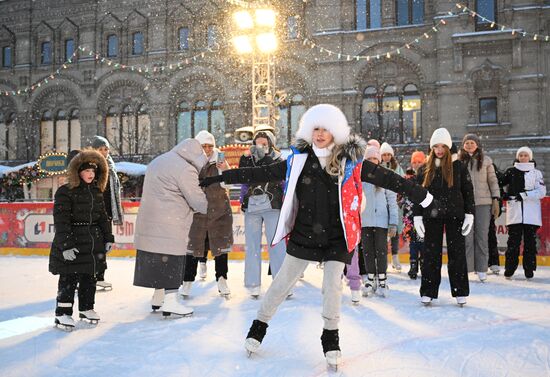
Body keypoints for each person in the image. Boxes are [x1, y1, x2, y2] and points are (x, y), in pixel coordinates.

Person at [200, 104, 435, 368]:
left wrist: (421, 195)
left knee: (333, 286)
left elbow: (388, 178)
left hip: (338, 235)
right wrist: (221, 177)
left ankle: (330, 336)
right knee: (281, 283)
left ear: (335, 132)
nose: (320, 134)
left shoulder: (352, 163)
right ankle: (259, 325)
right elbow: (258, 174)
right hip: (304, 234)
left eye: (325, 129)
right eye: (316, 129)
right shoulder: (297, 161)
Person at [133, 138, 208, 317]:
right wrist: (206, 204)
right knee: (172, 259)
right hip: (171, 223)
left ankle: (158, 298)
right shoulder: (185, 169)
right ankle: (171, 301)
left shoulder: (157, 161)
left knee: (156, 258)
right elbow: (197, 200)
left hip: (150, 219)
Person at [49, 149, 114, 329]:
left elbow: (102, 217)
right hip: (74, 242)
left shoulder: (96, 192)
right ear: (78, 172)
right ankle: (62, 313)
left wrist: (108, 238)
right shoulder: (65, 192)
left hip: (93, 242)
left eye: (93, 171)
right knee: (69, 278)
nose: (90, 175)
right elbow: (61, 222)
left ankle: (86, 307)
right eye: (86, 171)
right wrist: (66, 246)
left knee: (89, 277)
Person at [413, 128, 475, 306]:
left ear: (449, 147)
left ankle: (460, 291)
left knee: (457, 254)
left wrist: (469, 214)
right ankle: (428, 291)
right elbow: (418, 194)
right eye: (436, 146)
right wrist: (417, 216)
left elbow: (468, 192)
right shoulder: (425, 167)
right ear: (431, 148)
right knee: (431, 255)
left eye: (443, 146)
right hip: (432, 216)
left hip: (455, 215)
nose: (439, 150)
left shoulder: (459, 166)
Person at [182, 130, 233, 297]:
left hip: (219, 210)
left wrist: (224, 169)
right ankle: (187, 281)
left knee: (220, 247)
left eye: (210, 146)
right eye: (204, 145)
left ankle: (222, 279)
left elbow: (229, 185)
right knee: (193, 246)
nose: (208, 149)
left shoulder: (220, 160)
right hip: (197, 212)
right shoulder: (191, 163)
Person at [238, 130, 285, 298]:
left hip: (273, 205)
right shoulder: (248, 159)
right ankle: (253, 283)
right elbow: (243, 181)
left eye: (264, 144)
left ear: (270, 144)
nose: (261, 147)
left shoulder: (278, 159)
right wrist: (242, 200)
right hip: (252, 206)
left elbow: (282, 181)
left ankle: (281, 283)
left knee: (277, 244)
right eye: (258, 144)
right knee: (252, 245)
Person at [458, 134, 500, 282]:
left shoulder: (486, 161)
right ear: (463, 145)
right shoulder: (457, 161)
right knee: (467, 237)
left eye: (472, 143)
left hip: (483, 203)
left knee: (482, 237)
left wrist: (496, 198)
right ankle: (468, 268)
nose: (469, 145)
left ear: (477, 145)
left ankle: (482, 269)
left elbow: (493, 181)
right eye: (467, 143)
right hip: (465, 204)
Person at [500, 146, 546, 280]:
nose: (523, 157)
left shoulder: (536, 173)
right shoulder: (511, 171)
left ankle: (529, 269)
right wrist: (504, 195)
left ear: (530, 157)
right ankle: (509, 269)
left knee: (530, 243)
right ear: (517, 157)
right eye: (521, 155)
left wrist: (525, 195)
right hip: (515, 214)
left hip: (531, 215)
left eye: (526, 155)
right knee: (513, 243)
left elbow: (541, 192)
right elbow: (498, 183)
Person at [360, 145, 398, 297]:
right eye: (369, 158)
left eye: (375, 158)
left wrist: (393, 222)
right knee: (368, 251)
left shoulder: (385, 176)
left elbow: (392, 200)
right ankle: (370, 279)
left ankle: (382, 279)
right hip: (365, 221)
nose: (372, 161)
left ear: (379, 160)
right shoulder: (361, 176)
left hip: (382, 221)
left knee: (381, 251)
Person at [90, 135, 124, 290]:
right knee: (93, 245)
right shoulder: (92, 166)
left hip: (107, 212)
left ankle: (99, 276)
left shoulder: (111, 165)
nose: (104, 152)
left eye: (106, 149)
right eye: (100, 149)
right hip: (94, 212)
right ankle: (89, 276)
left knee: (104, 244)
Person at [380, 142, 405, 272]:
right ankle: (382, 258)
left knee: (394, 230)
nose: (386, 157)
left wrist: (400, 196)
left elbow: (402, 182)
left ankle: (395, 257)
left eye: (388, 154)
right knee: (382, 231)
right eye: (384, 154)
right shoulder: (378, 167)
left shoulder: (397, 168)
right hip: (382, 204)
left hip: (395, 203)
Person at [402, 151, 426, 279]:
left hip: (422, 213)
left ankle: (423, 264)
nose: (417, 164)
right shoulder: (407, 178)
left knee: (422, 240)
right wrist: (401, 200)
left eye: (419, 162)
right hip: (409, 214)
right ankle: (413, 265)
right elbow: (401, 194)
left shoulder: (427, 176)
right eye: (414, 162)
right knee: (413, 241)